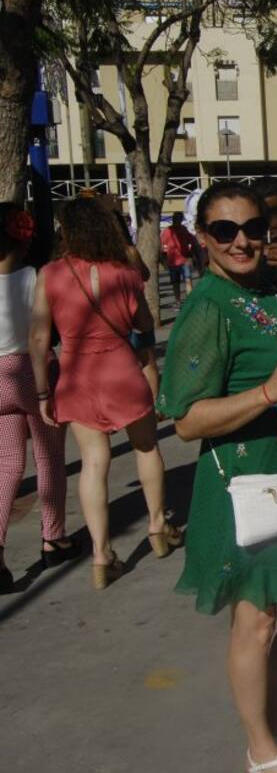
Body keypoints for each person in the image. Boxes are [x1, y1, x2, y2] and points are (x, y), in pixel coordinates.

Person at [159, 181, 277, 772]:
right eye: (224, 230)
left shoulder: (276, 288)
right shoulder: (208, 306)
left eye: (253, 228)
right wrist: (269, 391)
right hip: (245, 484)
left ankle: (275, 720)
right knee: (256, 622)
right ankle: (260, 747)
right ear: (202, 237)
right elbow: (185, 421)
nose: (241, 241)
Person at [29, 197, 178, 590]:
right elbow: (143, 324)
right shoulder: (124, 271)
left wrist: (43, 393)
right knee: (146, 447)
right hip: (121, 370)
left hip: (77, 375)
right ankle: (158, 526)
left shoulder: (50, 273)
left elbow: (40, 337)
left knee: (94, 463)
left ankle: (101, 554)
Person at [0, 204, 79, 593]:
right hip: (34, 372)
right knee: (49, 459)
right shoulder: (36, 278)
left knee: (7, 466)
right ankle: (53, 537)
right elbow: (50, 330)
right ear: (25, 238)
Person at [161, 211, 195, 305]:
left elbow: (192, 241)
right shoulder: (168, 231)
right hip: (172, 262)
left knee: (188, 280)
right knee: (176, 283)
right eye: (175, 218)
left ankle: (190, 300)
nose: (176, 220)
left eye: (179, 218)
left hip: (184, 260)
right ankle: (177, 300)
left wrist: (190, 255)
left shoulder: (183, 229)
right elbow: (162, 245)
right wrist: (164, 259)